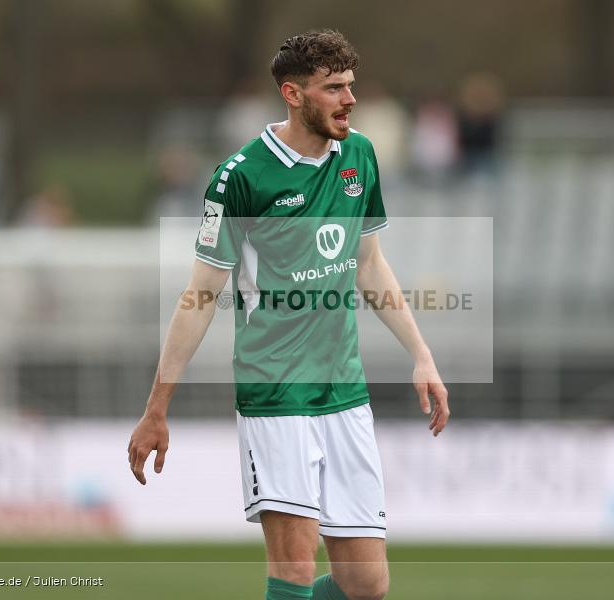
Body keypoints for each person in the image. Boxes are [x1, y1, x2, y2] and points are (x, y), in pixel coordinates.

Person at [127, 29, 450, 600]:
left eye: (350, 85)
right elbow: (201, 295)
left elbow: (369, 265)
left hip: (343, 390)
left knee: (366, 585)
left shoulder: (360, 155)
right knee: (296, 567)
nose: (349, 99)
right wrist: (157, 408)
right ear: (293, 94)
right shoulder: (241, 177)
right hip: (275, 390)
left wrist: (421, 354)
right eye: (333, 88)